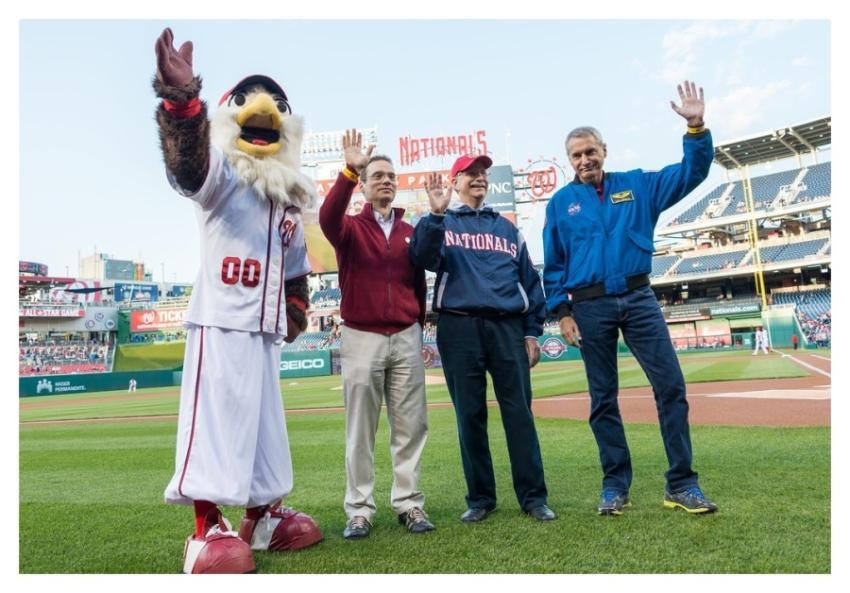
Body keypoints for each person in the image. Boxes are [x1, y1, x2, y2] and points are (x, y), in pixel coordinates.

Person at [153, 28, 322, 573]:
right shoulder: (224, 175)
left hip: (265, 331)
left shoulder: (289, 202)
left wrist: (294, 306)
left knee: (264, 429)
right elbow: (189, 167)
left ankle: (264, 515)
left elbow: (296, 271)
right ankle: (205, 529)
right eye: (249, 97)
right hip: (221, 320)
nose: (263, 110)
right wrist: (184, 103)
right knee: (215, 423)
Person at [542, 81, 718, 515]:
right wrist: (562, 311)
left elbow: (690, 173)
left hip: (639, 298)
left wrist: (696, 127)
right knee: (603, 399)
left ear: (604, 150)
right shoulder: (561, 204)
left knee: (671, 387)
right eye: (576, 155)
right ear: (570, 161)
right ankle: (614, 486)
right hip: (589, 305)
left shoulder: (638, 186)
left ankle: (681, 483)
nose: (585, 160)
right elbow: (554, 265)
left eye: (590, 151)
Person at [410, 154, 555, 523]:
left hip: (508, 327)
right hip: (459, 327)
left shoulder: (508, 228)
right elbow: (421, 258)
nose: (479, 178)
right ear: (455, 182)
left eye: (483, 173)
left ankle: (534, 497)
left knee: (519, 414)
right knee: (470, 416)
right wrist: (437, 215)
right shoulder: (442, 223)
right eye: (470, 173)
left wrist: (532, 331)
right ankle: (480, 498)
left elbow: (529, 281)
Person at [319, 130, 434, 539]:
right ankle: (359, 510)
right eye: (376, 175)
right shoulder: (350, 228)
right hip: (362, 334)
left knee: (411, 426)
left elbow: (418, 284)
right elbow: (326, 218)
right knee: (360, 429)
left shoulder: (410, 231)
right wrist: (349, 169)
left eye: (390, 175)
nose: (385, 180)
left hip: (404, 333)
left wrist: (416, 325)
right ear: (364, 187)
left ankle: (409, 504)